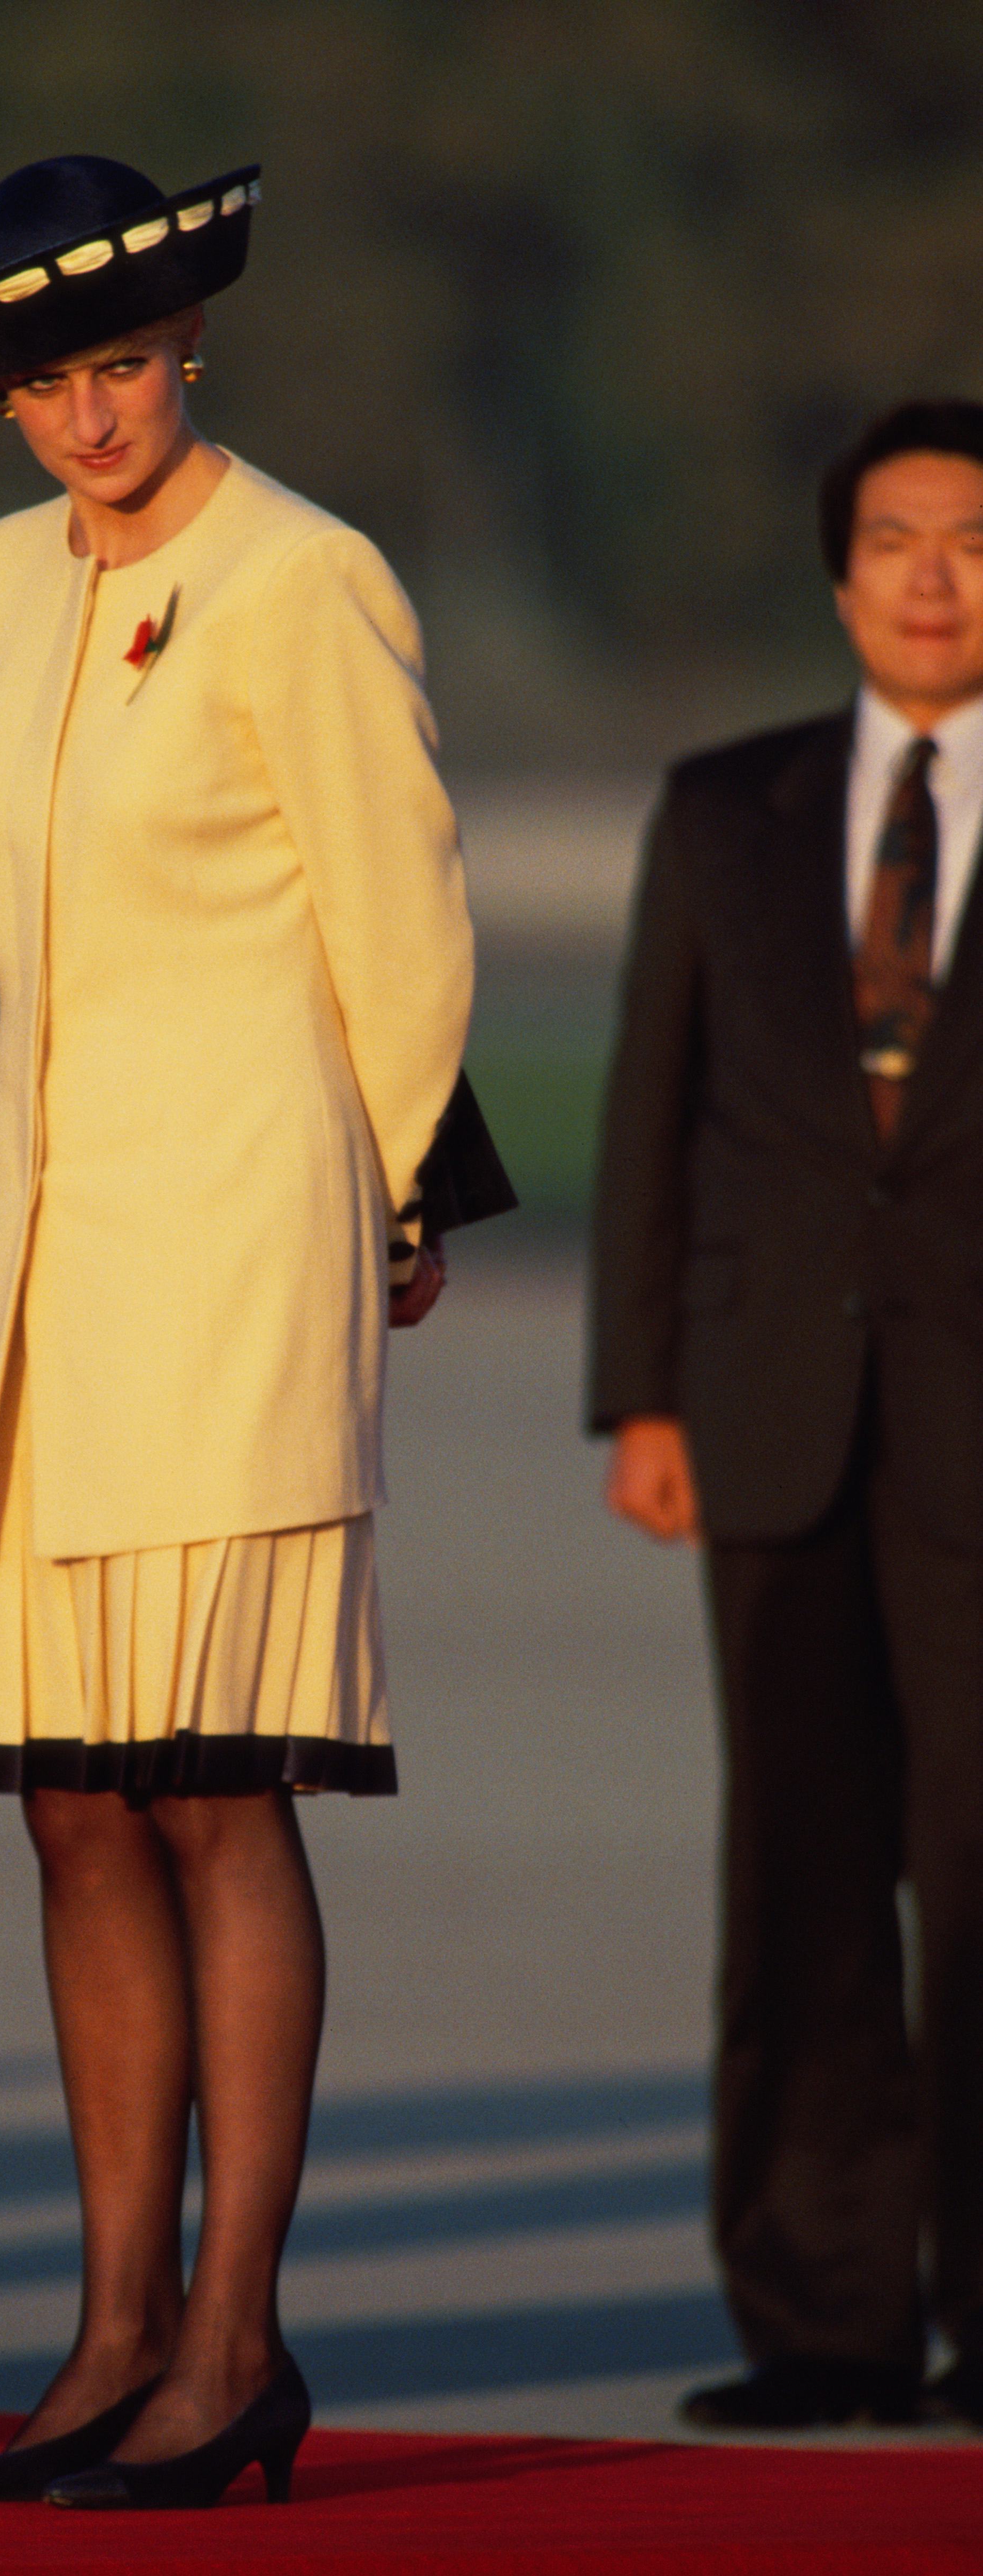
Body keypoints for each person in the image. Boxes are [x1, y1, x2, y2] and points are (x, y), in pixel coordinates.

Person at [0, 155, 474, 2509]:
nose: (86, 415)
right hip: (41, 1249)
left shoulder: (306, 572)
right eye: (42, 382)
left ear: (188, 343)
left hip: (237, 1238)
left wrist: (409, 1183)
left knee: (217, 1786)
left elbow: (402, 908)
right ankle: (111, 2334)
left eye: (117, 363)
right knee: (70, 1797)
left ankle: (236, 2342)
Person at [590, 397, 983, 2432]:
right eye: (896, 537)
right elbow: (651, 1110)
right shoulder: (725, 804)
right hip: (767, 1410)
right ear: (840, 577)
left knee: (978, 1868)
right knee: (801, 1870)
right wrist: (641, 1393)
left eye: (972, 539)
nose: (934, 575)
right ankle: (821, 2313)